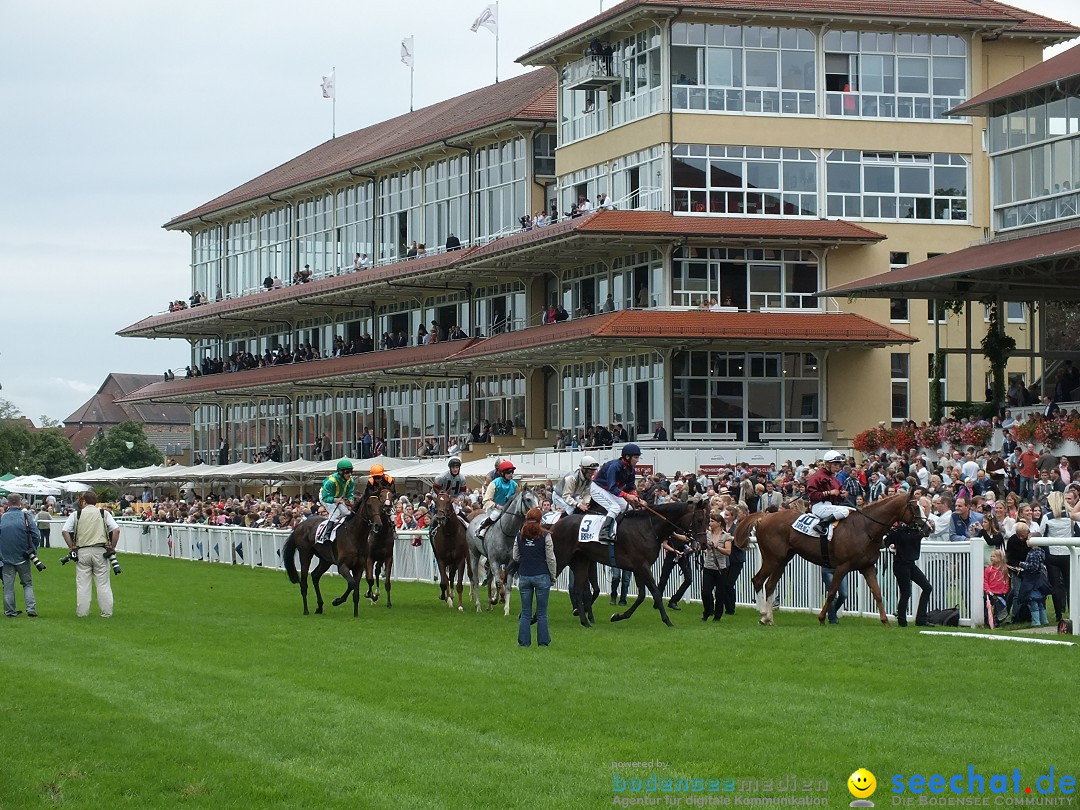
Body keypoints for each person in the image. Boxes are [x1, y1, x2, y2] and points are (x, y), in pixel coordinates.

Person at [61, 491, 119, 618]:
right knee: (103, 584)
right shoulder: (104, 513)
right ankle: (106, 612)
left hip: (82, 551)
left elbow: (65, 530)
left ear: (83, 501)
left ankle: (82, 612)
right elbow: (116, 530)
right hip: (100, 550)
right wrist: (112, 547)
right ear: (96, 501)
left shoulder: (77, 514)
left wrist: (71, 547)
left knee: (83, 584)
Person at [513, 507, 556, 647]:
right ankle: (543, 642)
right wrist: (553, 576)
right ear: (540, 520)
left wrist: (526, 560)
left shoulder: (519, 536)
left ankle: (523, 642)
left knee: (525, 612)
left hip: (525, 575)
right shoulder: (546, 536)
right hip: (542, 575)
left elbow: (515, 556)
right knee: (542, 613)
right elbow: (550, 558)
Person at [589, 443, 641, 542]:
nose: (637, 460)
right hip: (598, 488)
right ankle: (603, 533)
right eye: (635, 457)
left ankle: (622, 530)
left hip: (609, 490)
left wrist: (635, 496)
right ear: (627, 457)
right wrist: (627, 496)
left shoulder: (631, 470)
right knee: (615, 508)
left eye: (638, 457)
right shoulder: (614, 466)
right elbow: (612, 487)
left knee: (628, 508)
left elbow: (630, 487)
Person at [1, 494, 41, 618]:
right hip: (23, 556)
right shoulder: (26, 517)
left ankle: (10, 611)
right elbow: (36, 535)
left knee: (8, 586)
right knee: (27, 584)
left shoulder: (2, 518)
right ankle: (31, 609)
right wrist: (32, 550)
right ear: (20, 503)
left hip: (6, 557)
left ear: (7, 503)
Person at [890, 523, 933, 627]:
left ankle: (921, 619)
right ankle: (902, 621)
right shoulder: (899, 531)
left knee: (927, 587)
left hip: (910, 564)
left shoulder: (916, 530)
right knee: (906, 592)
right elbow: (890, 541)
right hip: (900, 565)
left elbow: (927, 532)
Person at [806, 450, 851, 534]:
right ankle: (821, 525)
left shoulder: (835, 479)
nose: (838, 467)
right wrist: (829, 492)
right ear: (827, 464)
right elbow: (812, 495)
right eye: (835, 464)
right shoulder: (817, 477)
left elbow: (838, 498)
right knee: (844, 511)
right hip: (818, 507)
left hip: (829, 506)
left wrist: (842, 495)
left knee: (852, 511)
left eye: (839, 465)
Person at [316, 459, 355, 545]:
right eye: (347, 472)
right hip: (325, 496)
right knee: (336, 512)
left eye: (351, 472)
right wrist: (335, 500)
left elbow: (349, 493)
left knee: (347, 512)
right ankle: (326, 533)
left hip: (338, 497)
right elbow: (325, 497)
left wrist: (350, 499)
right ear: (341, 472)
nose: (350, 474)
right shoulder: (331, 482)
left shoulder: (350, 480)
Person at [701, 511, 730, 621]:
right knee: (706, 592)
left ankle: (718, 615)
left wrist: (716, 547)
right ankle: (707, 611)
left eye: (712, 521)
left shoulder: (725, 536)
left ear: (718, 523)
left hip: (721, 568)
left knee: (720, 593)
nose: (710, 523)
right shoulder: (707, 534)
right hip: (708, 566)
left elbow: (728, 551)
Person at [479, 461, 519, 538]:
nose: (511, 474)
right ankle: (482, 528)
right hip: (494, 509)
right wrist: (498, 506)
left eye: (512, 472)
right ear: (502, 473)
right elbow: (486, 500)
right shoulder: (494, 483)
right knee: (496, 515)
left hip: (509, 511)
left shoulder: (514, 484)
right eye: (508, 472)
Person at [984, 548, 1011, 627]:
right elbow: (985, 580)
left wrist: (1005, 590)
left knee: (1000, 607)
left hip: (1001, 593)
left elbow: (1006, 581)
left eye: (994, 556)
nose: (991, 558)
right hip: (991, 593)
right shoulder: (988, 570)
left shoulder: (1004, 570)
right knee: (990, 608)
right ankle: (989, 621)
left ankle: (998, 620)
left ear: (999, 559)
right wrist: (987, 590)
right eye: (991, 556)